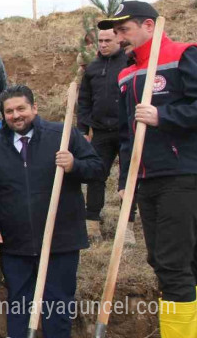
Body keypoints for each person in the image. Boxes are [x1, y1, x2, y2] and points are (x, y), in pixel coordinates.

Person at [101, 0, 197, 336]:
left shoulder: (183, 55)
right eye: (115, 32)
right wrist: (124, 180)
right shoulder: (127, 73)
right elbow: (126, 133)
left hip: (184, 175)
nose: (120, 37)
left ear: (149, 26)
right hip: (147, 180)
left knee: (171, 265)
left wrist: (165, 117)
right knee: (184, 263)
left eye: (124, 30)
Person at [0, 85, 102, 338]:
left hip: (61, 240)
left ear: (34, 108)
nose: (16, 115)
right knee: (18, 305)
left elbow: (97, 169)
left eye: (21, 109)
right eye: (9, 111)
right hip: (15, 243)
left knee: (57, 306)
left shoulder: (62, 135)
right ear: (3, 115)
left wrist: (74, 165)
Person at [76, 28, 135, 244]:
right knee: (96, 176)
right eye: (100, 41)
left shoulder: (130, 64)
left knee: (128, 179)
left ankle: (127, 226)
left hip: (127, 131)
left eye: (107, 40)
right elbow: (83, 101)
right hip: (100, 132)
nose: (103, 44)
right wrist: (83, 129)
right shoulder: (92, 68)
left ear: (119, 40)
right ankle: (92, 223)